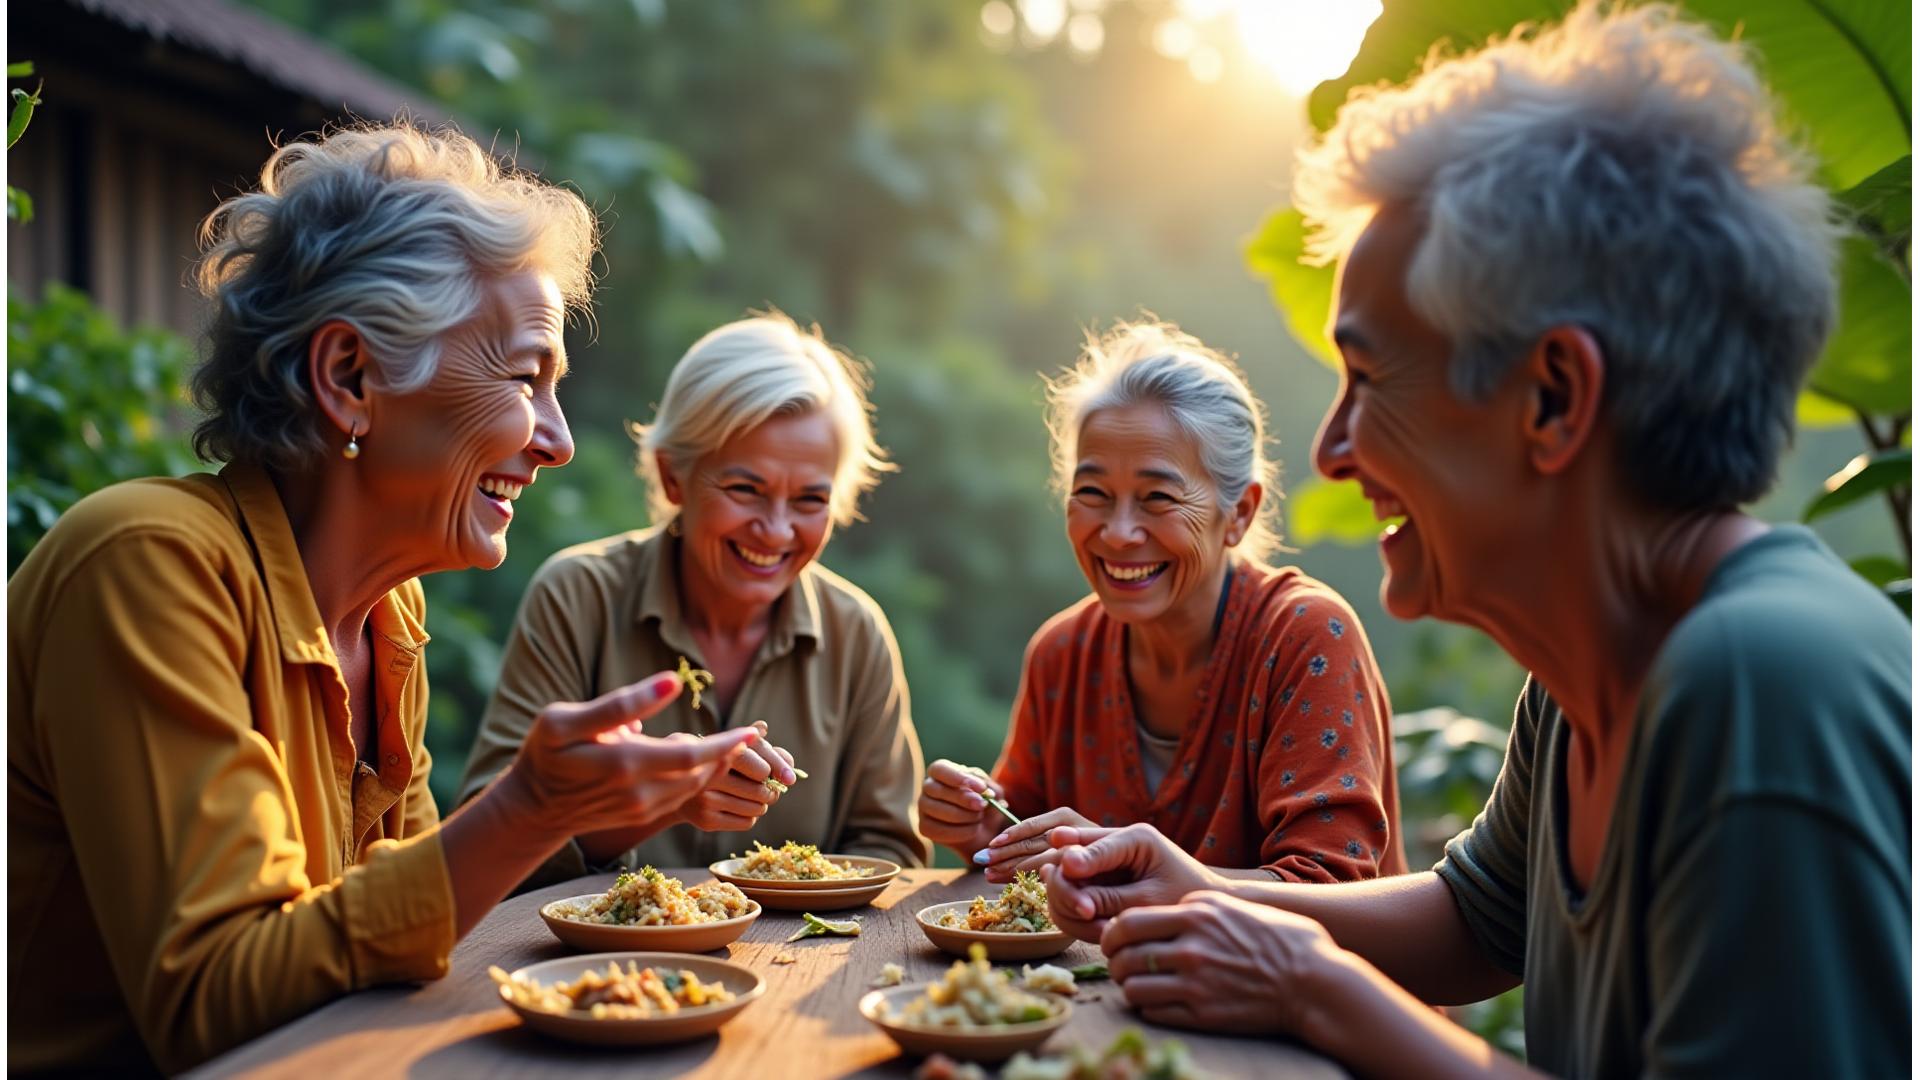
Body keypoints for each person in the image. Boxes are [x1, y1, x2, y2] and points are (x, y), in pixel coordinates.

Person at [1038, 5, 1911, 1077]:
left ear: (1552, 398)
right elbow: (1475, 919)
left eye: (1369, 380)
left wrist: (1315, 988)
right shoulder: (1584, 673)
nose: (1335, 446)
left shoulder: (1761, 684)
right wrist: (1198, 888)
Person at [7, 123, 765, 1074]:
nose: (558, 440)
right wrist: (529, 807)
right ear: (350, 377)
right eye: (526, 376)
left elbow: (380, 946)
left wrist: (578, 809)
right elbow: (214, 1006)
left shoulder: (388, 617)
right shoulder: (144, 563)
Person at [919, 321, 1407, 885]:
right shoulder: (1062, 653)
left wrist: (1139, 871)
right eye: (1093, 494)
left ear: (1241, 513)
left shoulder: (1305, 637)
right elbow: (1028, 841)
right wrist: (980, 830)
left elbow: (1332, 886)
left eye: (1157, 498)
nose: (1120, 532)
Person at [456, 313, 930, 882]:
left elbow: (891, 852)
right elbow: (481, 838)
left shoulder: (857, 632)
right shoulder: (579, 597)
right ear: (673, 475)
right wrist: (655, 803)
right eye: (745, 489)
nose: (776, 531)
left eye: (809, 501)